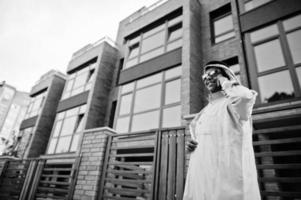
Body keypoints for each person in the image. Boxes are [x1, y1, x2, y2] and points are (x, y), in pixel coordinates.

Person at [183, 61, 261, 200]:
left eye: (213, 73)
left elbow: (244, 97)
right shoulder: (202, 114)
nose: (207, 77)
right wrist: (191, 148)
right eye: (204, 76)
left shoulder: (234, 104)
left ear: (225, 75)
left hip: (228, 186)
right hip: (203, 184)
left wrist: (226, 82)